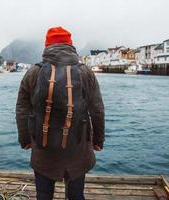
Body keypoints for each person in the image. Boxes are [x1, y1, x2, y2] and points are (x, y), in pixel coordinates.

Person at [16, 26, 104, 200]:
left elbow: (22, 110)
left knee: (43, 196)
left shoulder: (33, 72)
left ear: (47, 46)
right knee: (76, 196)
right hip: (78, 149)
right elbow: (97, 110)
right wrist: (97, 140)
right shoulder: (86, 72)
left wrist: (25, 139)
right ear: (70, 45)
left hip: (43, 148)